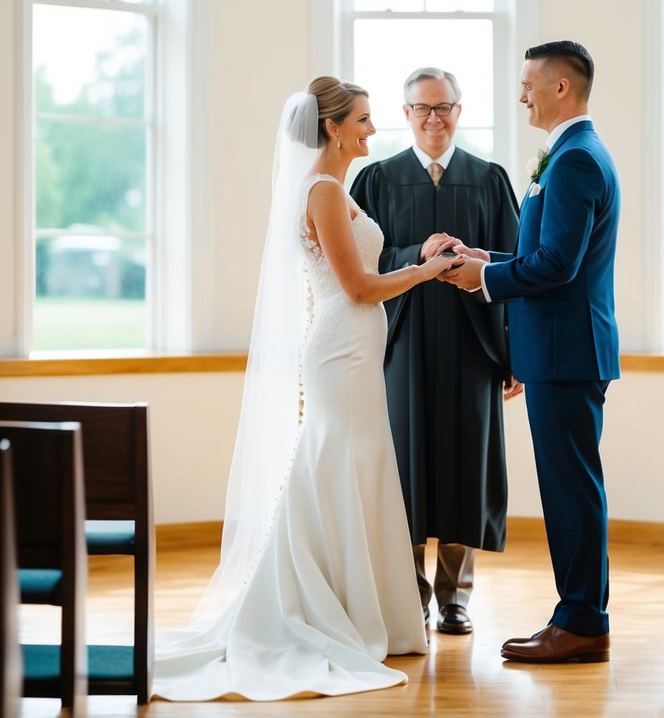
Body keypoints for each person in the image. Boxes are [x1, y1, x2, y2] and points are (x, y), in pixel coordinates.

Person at [153, 77, 458, 701]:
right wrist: (427, 271)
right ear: (333, 128)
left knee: (355, 467)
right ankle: (324, 606)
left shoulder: (331, 187)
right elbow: (358, 288)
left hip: (354, 351)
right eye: (365, 120)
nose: (373, 129)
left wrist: (418, 262)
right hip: (342, 351)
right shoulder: (321, 190)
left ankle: (361, 606)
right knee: (337, 465)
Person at [442, 42, 621, 664]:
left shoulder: (574, 162)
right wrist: (482, 258)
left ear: (561, 88)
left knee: (571, 490)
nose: (521, 94)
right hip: (563, 351)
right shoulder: (573, 154)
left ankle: (581, 623)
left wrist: (484, 283)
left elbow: (557, 267)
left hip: (565, 353)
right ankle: (580, 616)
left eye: (528, 84)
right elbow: (543, 256)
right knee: (571, 487)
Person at [350, 67, 520, 636]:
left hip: (474, 345)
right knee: (407, 470)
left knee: (464, 469)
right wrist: (413, 256)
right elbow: (357, 262)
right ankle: (410, 595)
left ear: (459, 110)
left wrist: (514, 355)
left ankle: (456, 596)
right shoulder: (376, 180)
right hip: (404, 343)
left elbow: (518, 268)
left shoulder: (489, 179)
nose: (433, 118)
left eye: (443, 107)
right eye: (422, 109)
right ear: (406, 115)